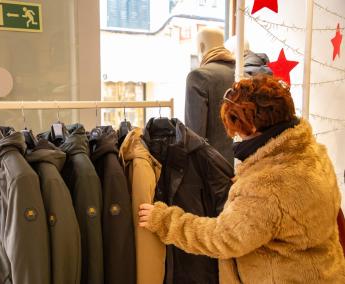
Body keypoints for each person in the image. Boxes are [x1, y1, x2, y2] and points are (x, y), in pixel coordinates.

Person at [139, 75, 345, 283]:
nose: (236, 136)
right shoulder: (313, 153)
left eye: (237, 128)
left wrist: (165, 221)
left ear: (253, 128)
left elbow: (223, 238)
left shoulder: (268, 185)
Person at [185, 27, 235, 166]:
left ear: (201, 46)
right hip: (244, 166)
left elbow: (195, 136)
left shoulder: (199, 76)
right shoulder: (243, 73)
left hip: (213, 170)